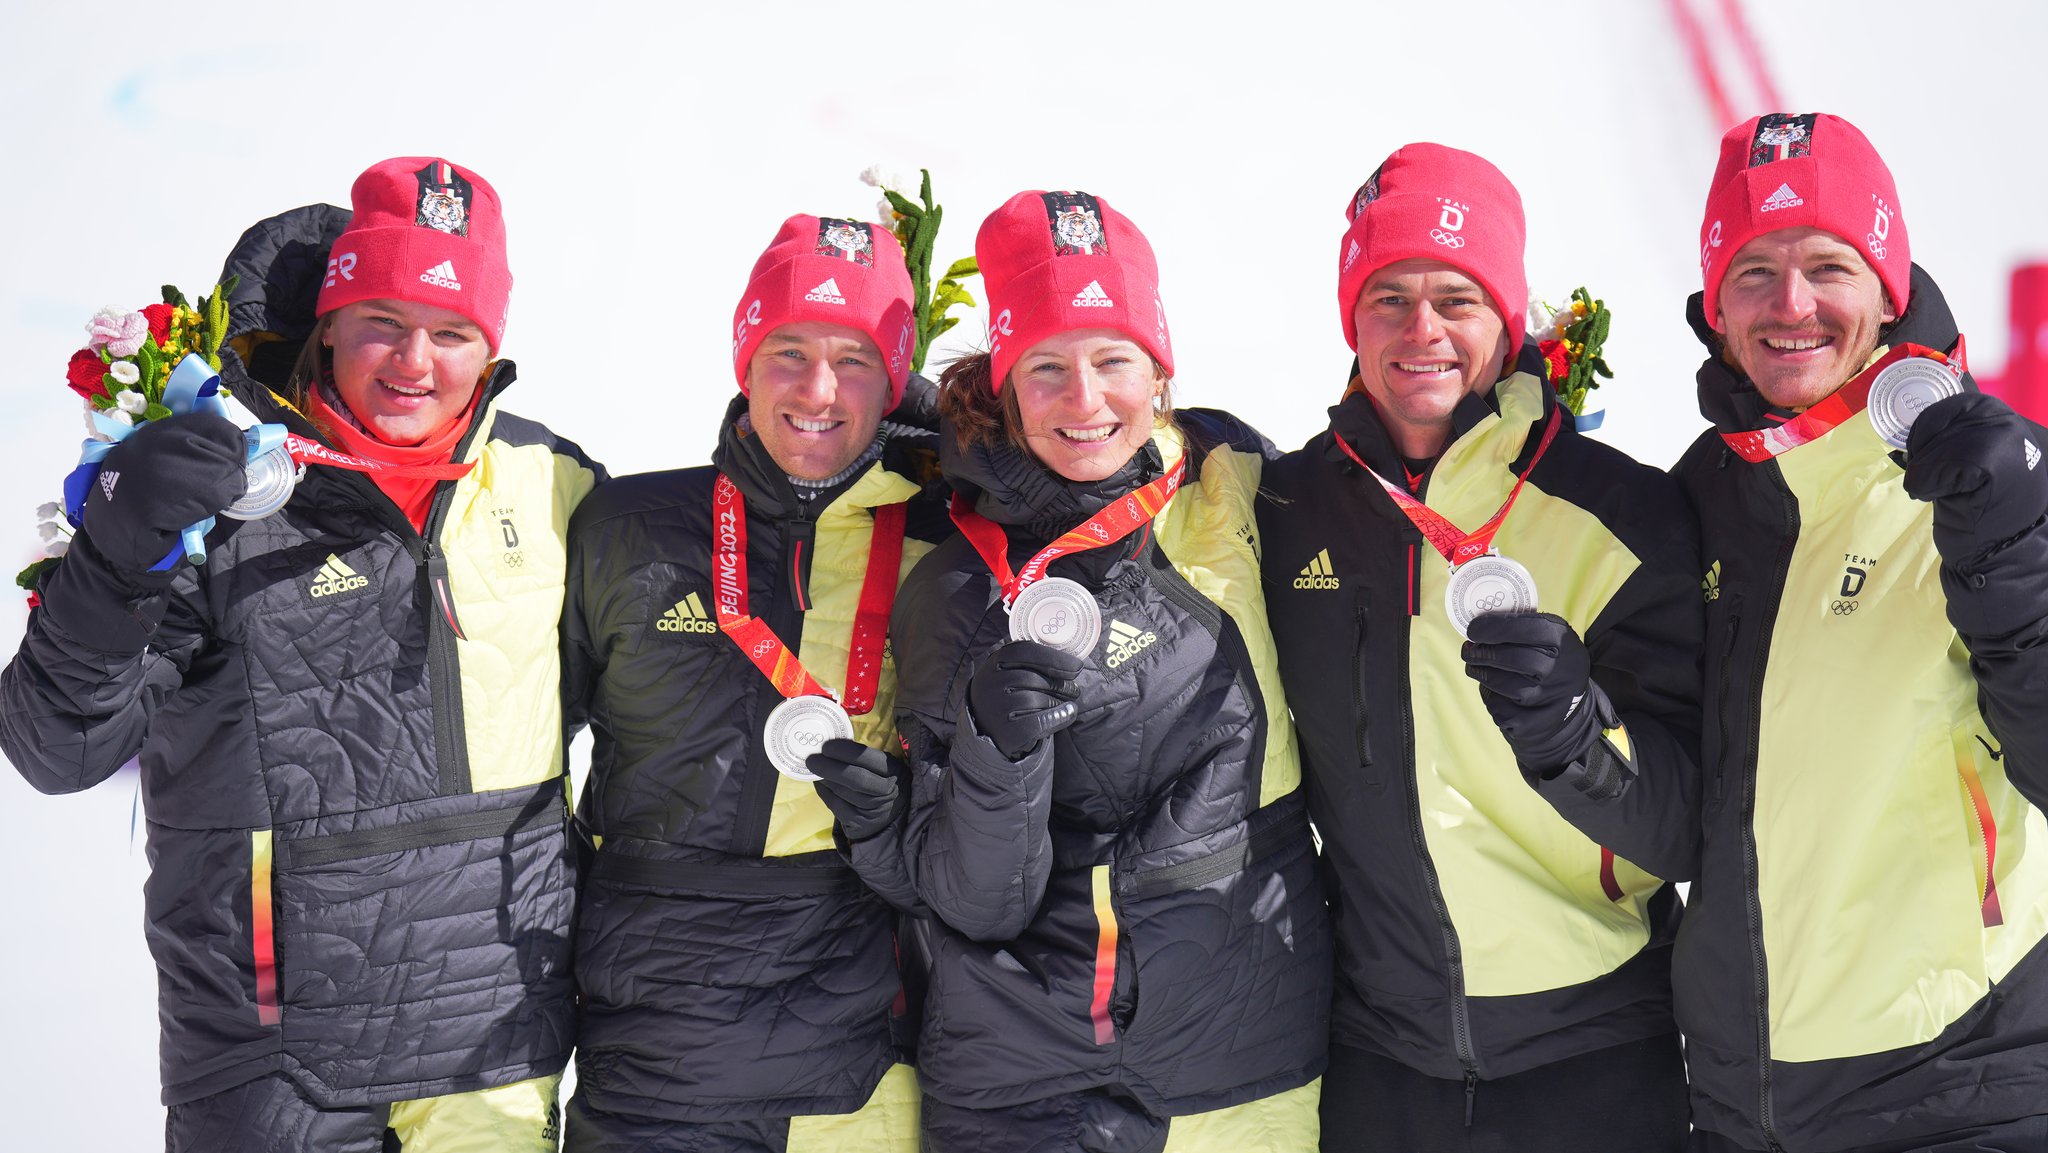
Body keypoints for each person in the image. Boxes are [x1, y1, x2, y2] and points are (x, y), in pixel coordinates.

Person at [1, 157, 603, 1151]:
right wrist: (115, 551)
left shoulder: (552, 485)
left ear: (490, 346)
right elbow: (56, 751)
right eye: (382, 323)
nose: (415, 362)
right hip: (272, 1060)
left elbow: (691, 689)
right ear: (327, 323)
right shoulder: (214, 498)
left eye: (451, 333)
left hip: (495, 1054)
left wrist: (921, 479)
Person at [835, 189, 1329, 1152]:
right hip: (1019, 1080)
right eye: (1047, 368)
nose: (1086, 400)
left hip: (1240, 1055)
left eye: (1113, 361)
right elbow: (975, 900)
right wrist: (994, 751)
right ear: (1005, 384)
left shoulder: (1234, 489)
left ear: (1161, 373)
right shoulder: (954, 586)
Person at [1255, 143, 1701, 1151]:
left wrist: (1579, 735)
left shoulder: (1620, 510)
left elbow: (1687, 826)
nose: (1422, 330)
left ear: (1507, 319)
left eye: (1457, 297)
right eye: (1388, 297)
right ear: (1349, 320)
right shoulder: (1284, 509)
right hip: (1379, 1056)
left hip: (1593, 1049)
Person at [1673, 112, 2048, 1153]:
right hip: (1742, 1100)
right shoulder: (1701, 493)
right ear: (1712, 304)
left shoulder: (1992, 476)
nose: (1789, 305)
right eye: (1752, 272)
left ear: (1887, 287)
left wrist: (2010, 561)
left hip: (1956, 1086)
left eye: (1826, 266)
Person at [560, 213, 948, 1152]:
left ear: (896, 375)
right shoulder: (627, 526)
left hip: (861, 1064)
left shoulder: (943, 545)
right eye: (789, 350)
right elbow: (521, 780)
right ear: (743, 356)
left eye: (856, 358)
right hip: (652, 1057)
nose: (819, 390)